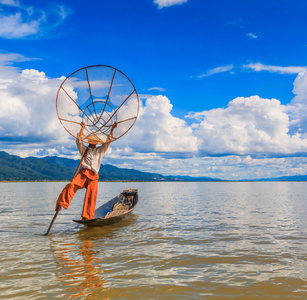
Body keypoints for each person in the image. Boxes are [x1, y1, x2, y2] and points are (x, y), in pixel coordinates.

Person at [55, 121, 117, 220]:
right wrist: (82, 128)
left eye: (94, 142)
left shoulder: (100, 151)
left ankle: (87, 216)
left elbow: (109, 141)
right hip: (83, 173)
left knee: (91, 196)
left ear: (96, 143)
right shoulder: (84, 149)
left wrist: (112, 129)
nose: (92, 144)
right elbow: (79, 141)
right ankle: (61, 203)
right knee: (72, 185)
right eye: (91, 142)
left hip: (94, 175)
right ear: (88, 142)